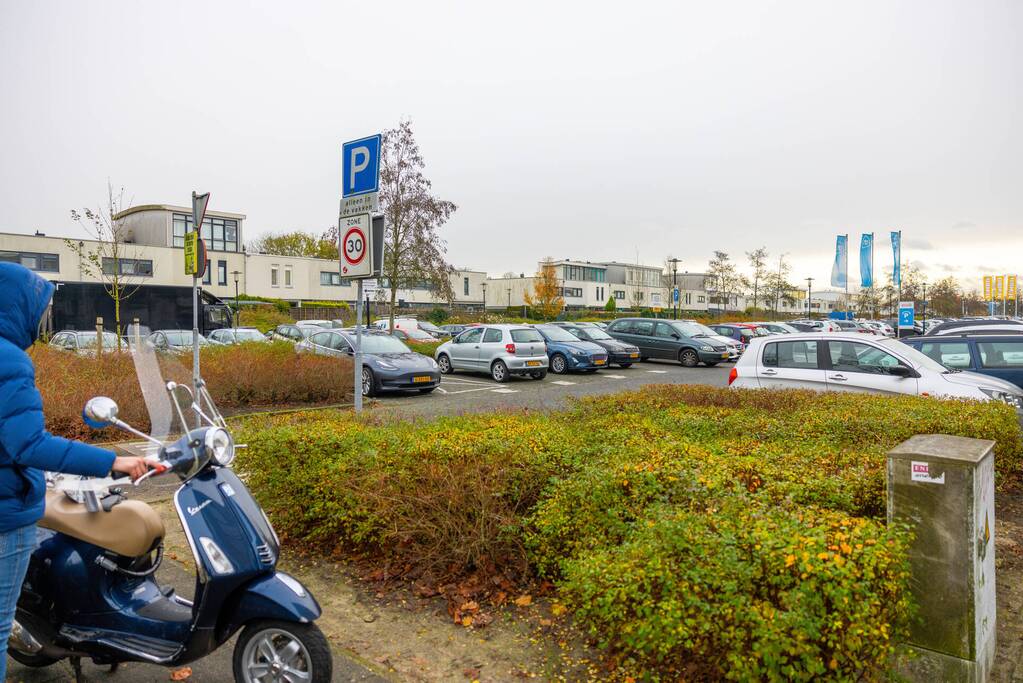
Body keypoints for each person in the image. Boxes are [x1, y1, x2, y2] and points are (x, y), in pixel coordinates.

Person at [0, 263, 151, 679]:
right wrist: (112, 461)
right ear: (17, 306)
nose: (43, 319)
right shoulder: (9, 362)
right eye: (40, 309)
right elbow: (29, 445)